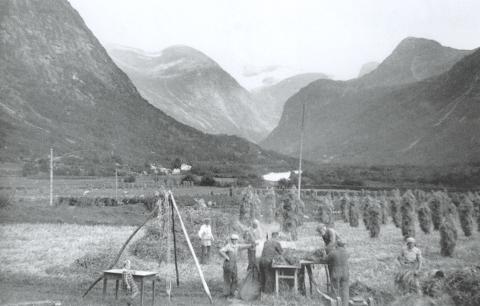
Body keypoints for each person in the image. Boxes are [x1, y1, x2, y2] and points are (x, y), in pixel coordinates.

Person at [219, 234, 253, 298]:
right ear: (231, 240)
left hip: (234, 264)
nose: (234, 241)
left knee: (235, 278)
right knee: (227, 279)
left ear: (237, 240)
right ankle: (226, 293)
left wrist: (251, 245)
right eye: (233, 240)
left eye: (235, 240)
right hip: (228, 264)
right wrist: (227, 257)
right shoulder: (228, 246)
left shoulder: (237, 246)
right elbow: (221, 251)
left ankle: (232, 292)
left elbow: (243, 246)